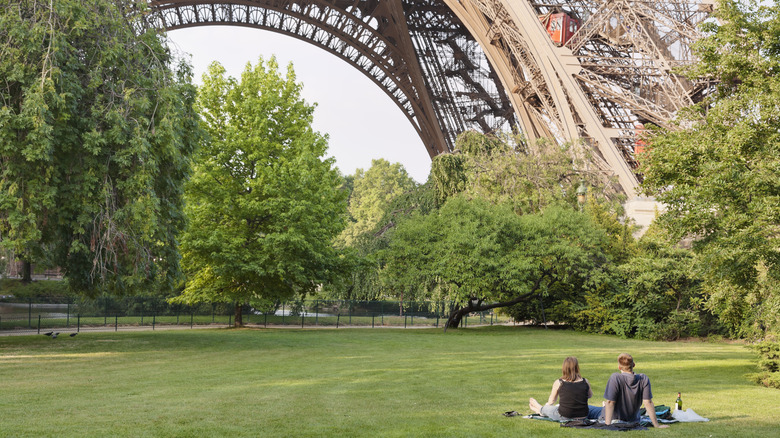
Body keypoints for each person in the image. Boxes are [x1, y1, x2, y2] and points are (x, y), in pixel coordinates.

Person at [602, 353, 669, 428]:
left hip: (614, 419)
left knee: (592, 409)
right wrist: (656, 425)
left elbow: (610, 402)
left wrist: (607, 425)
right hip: (634, 420)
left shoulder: (615, 377)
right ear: (633, 364)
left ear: (619, 367)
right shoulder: (643, 378)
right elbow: (648, 402)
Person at [529, 356, 602, 421]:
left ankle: (540, 408)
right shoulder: (585, 381)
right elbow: (590, 395)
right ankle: (541, 410)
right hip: (583, 416)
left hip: (564, 416)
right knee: (592, 408)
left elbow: (551, 401)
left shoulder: (559, 382)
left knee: (549, 408)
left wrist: (547, 406)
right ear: (577, 367)